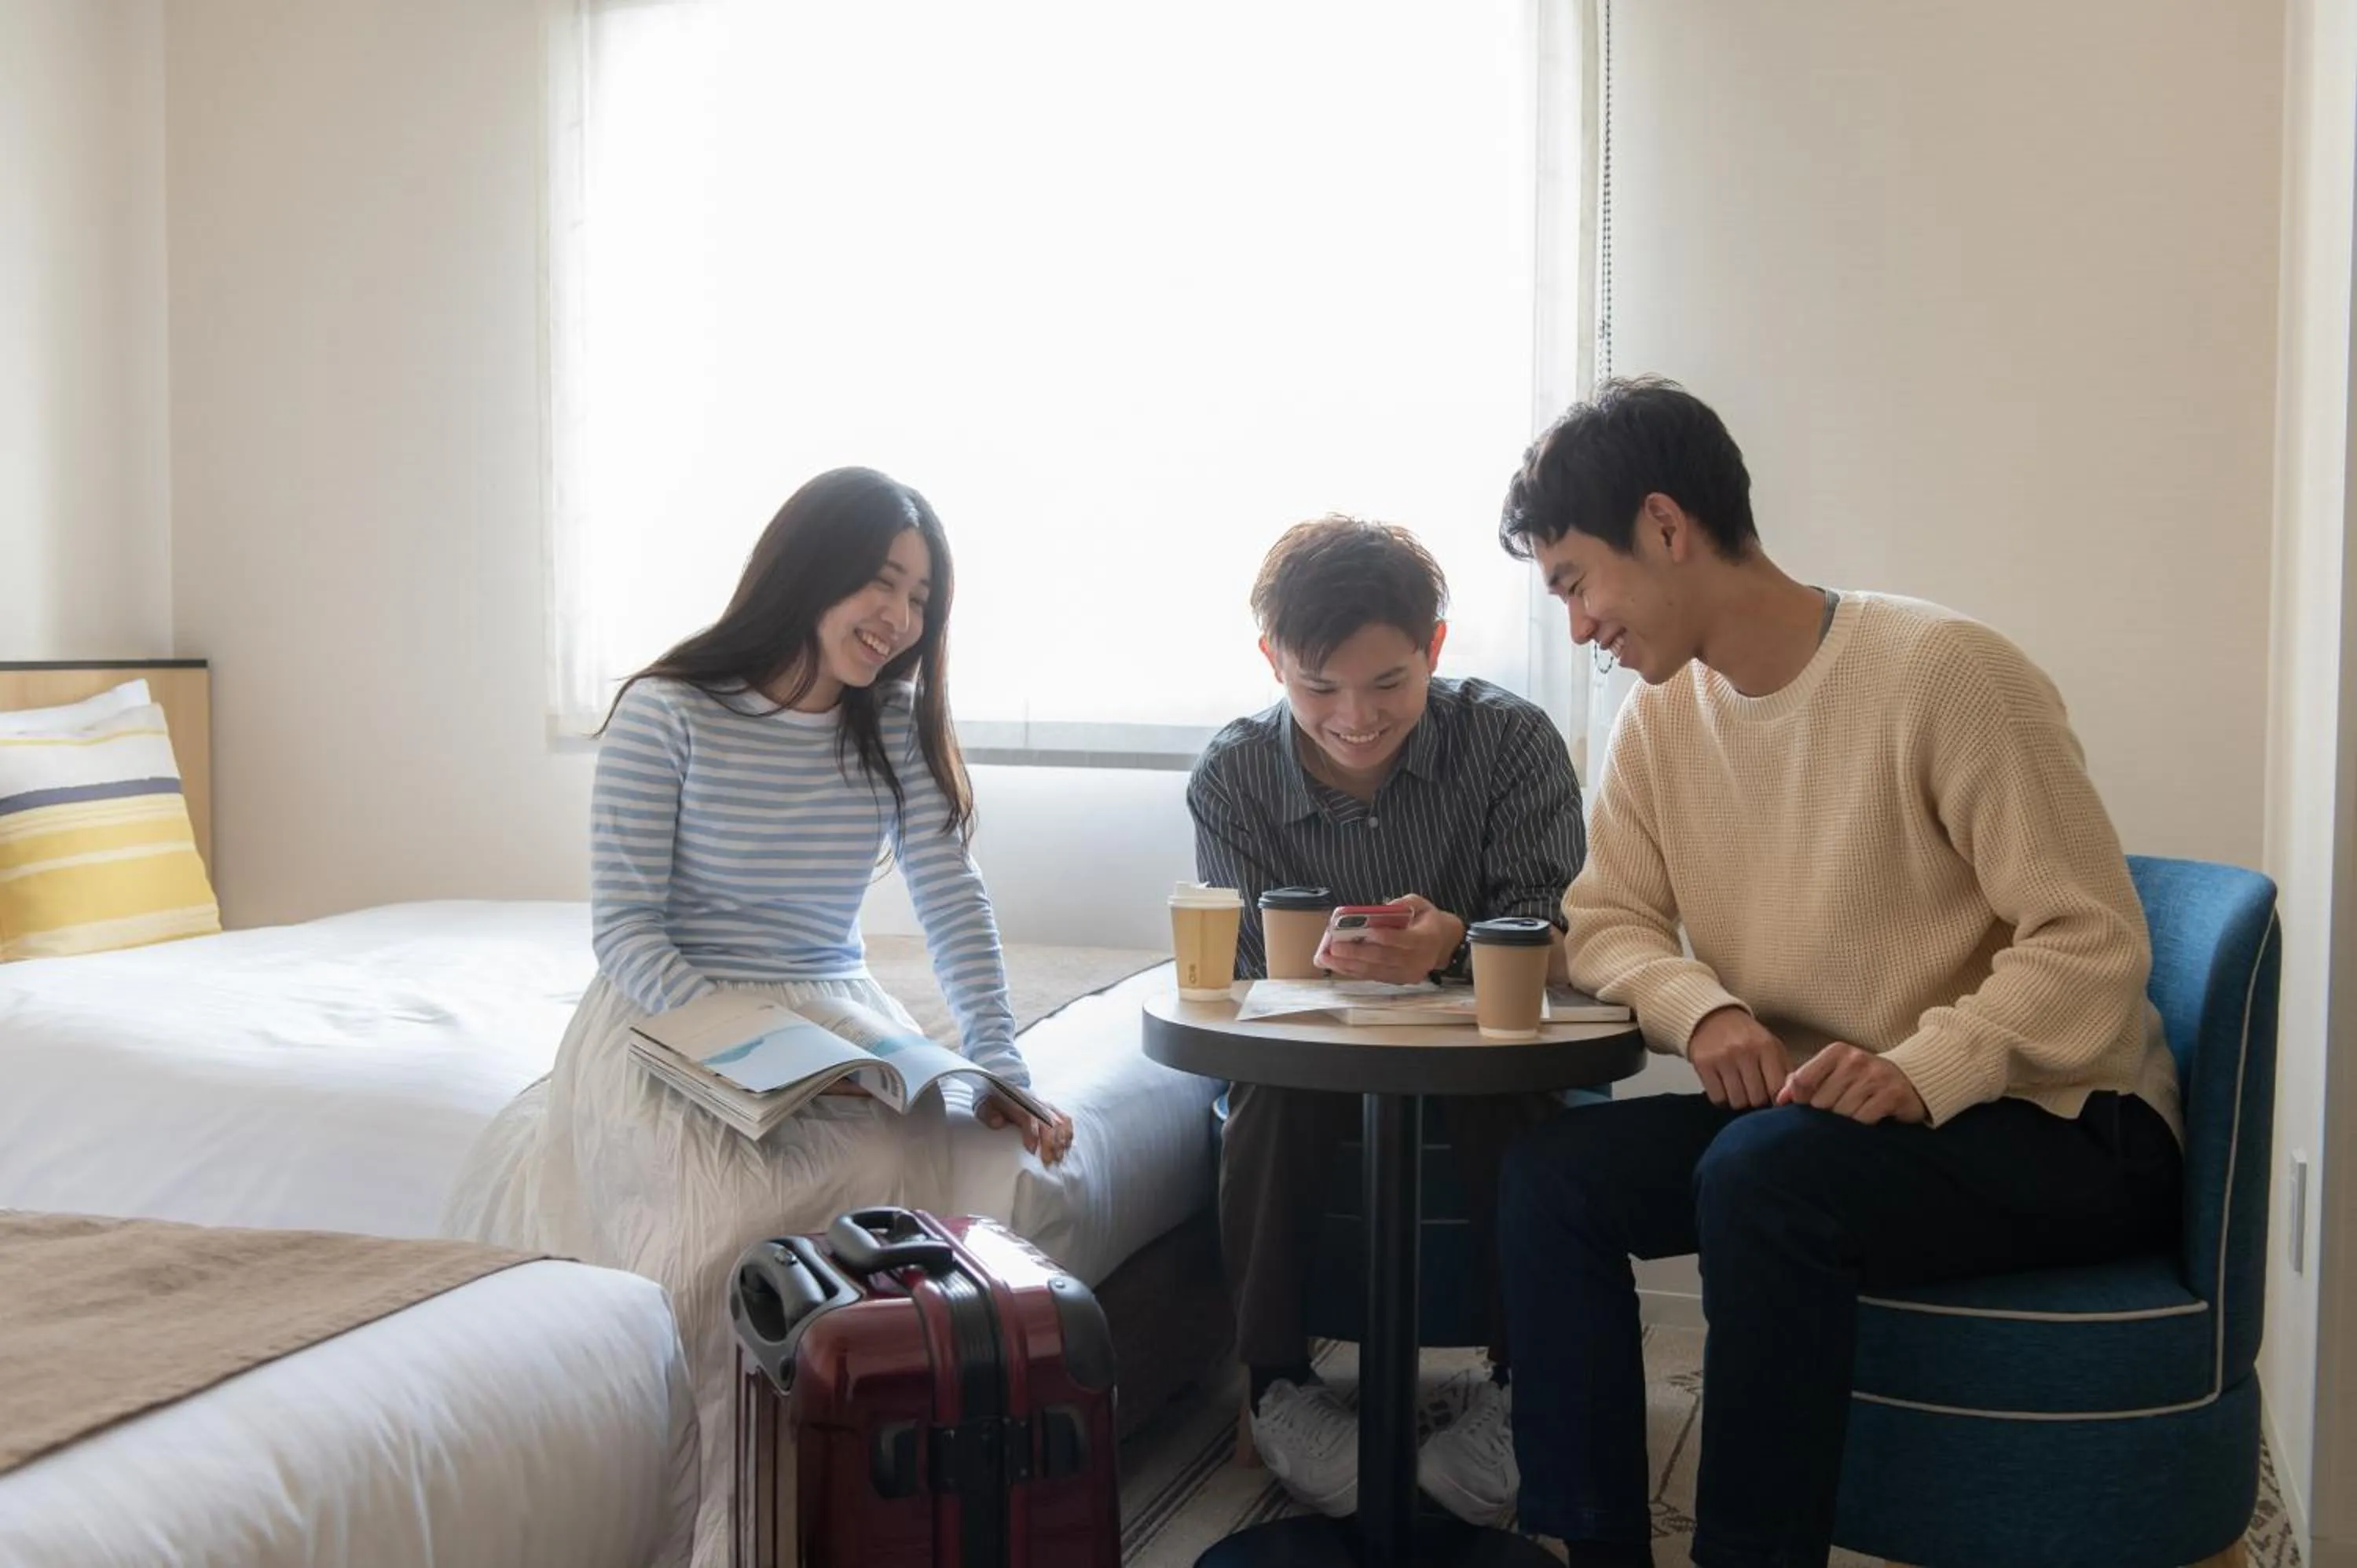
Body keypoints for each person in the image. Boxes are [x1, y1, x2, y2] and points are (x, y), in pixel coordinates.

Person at [1493, 379, 2183, 1566]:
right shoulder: (1659, 724)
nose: (1578, 626)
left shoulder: (1945, 673)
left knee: (1762, 1179)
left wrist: (1927, 1068)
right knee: (1555, 1173)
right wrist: (1700, 1010)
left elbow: (2093, 940)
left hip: (2064, 1121)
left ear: (1666, 526)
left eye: (1574, 583)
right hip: (1835, 1122)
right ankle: (1596, 1546)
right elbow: (1605, 922)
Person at [445, 466, 1072, 1568]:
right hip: (675, 1014)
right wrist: (762, 1056)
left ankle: (873, 1512)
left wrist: (1002, 1063)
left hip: (835, 1004)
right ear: (806, 571)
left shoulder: (894, 726)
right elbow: (629, 936)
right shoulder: (669, 710)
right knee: (721, 1234)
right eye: (881, 582)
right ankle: (721, 1533)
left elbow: (951, 900)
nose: (899, 619)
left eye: (921, 599)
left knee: (932, 1178)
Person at [1186, 515, 1585, 1528]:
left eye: (1389, 685)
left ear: (1435, 652)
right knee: (1270, 1086)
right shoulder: (1233, 775)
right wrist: (1320, 968)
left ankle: (1517, 1383)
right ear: (1272, 659)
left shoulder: (1509, 742)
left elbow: (1560, 927)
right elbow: (1241, 976)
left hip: (1477, 1040)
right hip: (1306, 1045)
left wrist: (1452, 945)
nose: (1355, 718)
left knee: (1510, 1086)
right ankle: (1277, 1384)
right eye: (1318, 688)